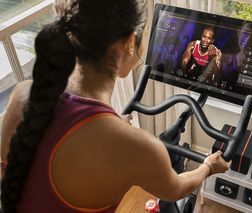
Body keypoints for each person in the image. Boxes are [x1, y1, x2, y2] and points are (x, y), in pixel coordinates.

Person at [0, 0, 231, 212]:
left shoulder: (23, 94)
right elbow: (177, 188)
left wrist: (110, 127)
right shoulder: (140, 148)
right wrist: (209, 166)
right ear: (130, 43)